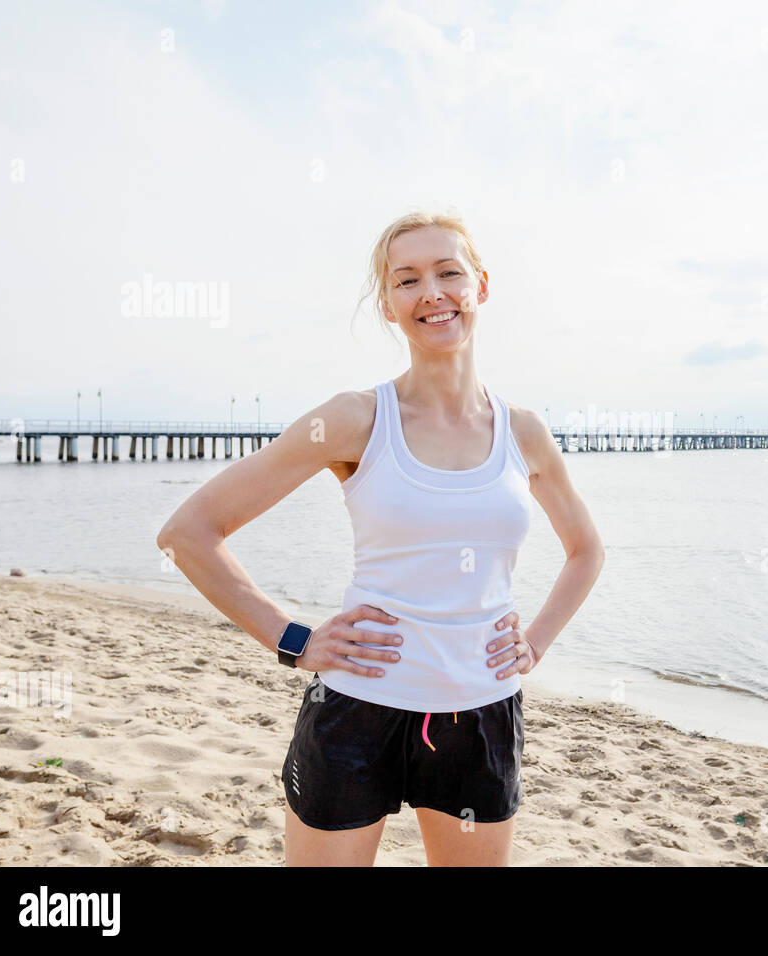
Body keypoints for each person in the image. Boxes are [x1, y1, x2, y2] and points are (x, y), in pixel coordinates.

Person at [155, 210, 605, 866]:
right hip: (354, 711)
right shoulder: (354, 420)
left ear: (480, 286)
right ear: (389, 306)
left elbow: (587, 550)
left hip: (479, 718)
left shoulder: (526, 433)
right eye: (407, 280)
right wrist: (294, 639)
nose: (432, 293)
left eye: (449, 272)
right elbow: (188, 533)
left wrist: (534, 643)